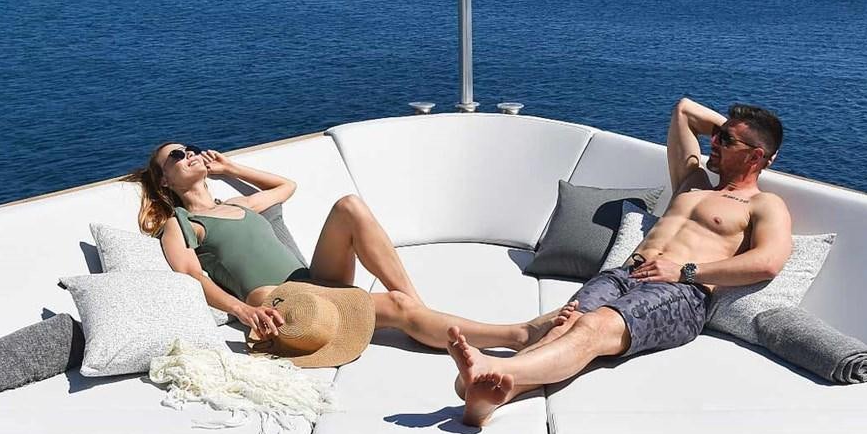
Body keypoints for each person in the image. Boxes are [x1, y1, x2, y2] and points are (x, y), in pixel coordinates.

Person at [445, 99, 795, 426]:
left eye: (726, 141)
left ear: (755, 157)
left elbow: (767, 262)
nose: (713, 143)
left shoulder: (763, 204)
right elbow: (684, 111)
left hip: (680, 292)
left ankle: (496, 368)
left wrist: (685, 271)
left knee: (592, 329)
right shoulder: (694, 183)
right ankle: (488, 396)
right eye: (715, 136)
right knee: (565, 325)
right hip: (623, 275)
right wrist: (733, 131)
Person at [136, 142, 554, 348]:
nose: (188, 154)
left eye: (190, 149)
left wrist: (229, 167)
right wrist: (243, 311)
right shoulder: (180, 222)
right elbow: (189, 274)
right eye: (176, 156)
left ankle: (417, 311)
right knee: (398, 309)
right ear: (165, 182)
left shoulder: (241, 203)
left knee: (349, 206)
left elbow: (287, 186)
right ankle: (517, 335)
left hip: (314, 280)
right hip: (283, 301)